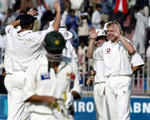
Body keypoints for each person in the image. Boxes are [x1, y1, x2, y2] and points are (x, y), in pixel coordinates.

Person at [4, 1, 61, 120]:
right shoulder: (35, 37)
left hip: (13, 77)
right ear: (31, 25)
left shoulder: (12, 34)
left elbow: (8, 26)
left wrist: (26, 17)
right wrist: (58, 11)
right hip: (27, 79)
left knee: (19, 115)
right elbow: (55, 29)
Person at [23, 31, 82, 120]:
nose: (56, 54)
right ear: (46, 48)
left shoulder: (71, 63)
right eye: (53, 51)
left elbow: (78, 89)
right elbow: (27, 95)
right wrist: (45, 98)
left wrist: (71, 96)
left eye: (59, 50)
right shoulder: (35, 66)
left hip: (63, 115)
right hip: (40, 115)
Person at [98, 21, 135, 120]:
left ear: (118, 31)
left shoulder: (125, 41)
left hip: (123, 79)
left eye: (112, 31)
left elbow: (132, 51)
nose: (110, 33)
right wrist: (93, 40)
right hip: (110, 80)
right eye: (108, 31)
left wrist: (120, 37)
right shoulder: (106, 45)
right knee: (112, 115)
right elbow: (89, 55)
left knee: (123, 114)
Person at [86, 28, 108, 120]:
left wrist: (108, 85)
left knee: (106, 113)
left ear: (104, 38)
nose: (97, 41)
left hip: (105, 83)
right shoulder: (96, 50)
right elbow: (89, 56)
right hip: (97, 84)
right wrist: (92, 73)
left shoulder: (108, 47)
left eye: (98, 38)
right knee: (99, 114)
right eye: (96, 39)